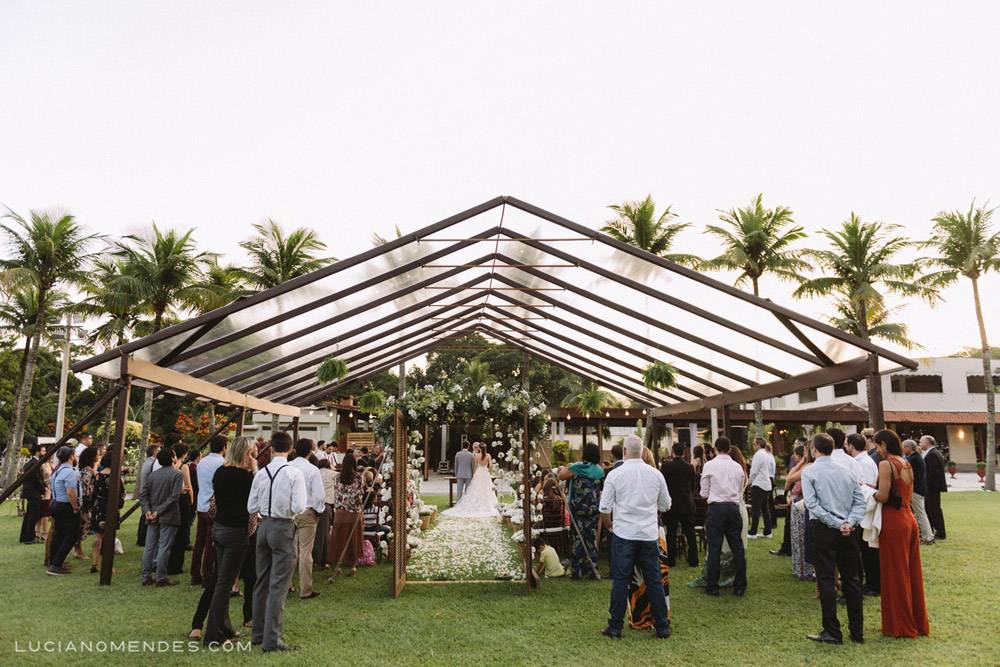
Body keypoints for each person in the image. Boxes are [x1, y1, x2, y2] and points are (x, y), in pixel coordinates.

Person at [599, 434, 671, 639]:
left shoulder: (615, 474)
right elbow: (666, 504)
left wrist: (609, 525)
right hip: (648, 534)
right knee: (654, 580)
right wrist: (652, 513)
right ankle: (662, 626)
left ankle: (615, 626)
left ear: (624, 451)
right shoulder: (656, 474)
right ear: (641, 451)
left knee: (620, 581)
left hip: (623, 533)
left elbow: (604, 507)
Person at [801, 432, 865, 645]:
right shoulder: (847, 470)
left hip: (825, 529)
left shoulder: (810, 472)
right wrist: (849, 522)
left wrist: (838, 523)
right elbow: (860, 502)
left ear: (814, 450)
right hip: (848, 529)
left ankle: (832, 631)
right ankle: (857, 631)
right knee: (852, 579)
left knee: (826, 579)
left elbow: (812, 504)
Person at [248, 431, 306, 652]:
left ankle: (258, 633)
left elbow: (251, 506)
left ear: (271, 449)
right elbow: (298, 506)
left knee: (261, 581)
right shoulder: (294, 473)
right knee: (278, 585)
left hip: (263, 526)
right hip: (283, 526)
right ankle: (272, 639)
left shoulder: (261, 473)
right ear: (290, 449)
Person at [198, 436, 258, 647]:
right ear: (246, 454)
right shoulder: (244, 477)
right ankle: (214, 634)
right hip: (235, 533)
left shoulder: (220, 472)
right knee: (224, 584)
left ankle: (225, 627)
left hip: (220, 528)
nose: (254, 456)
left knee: (221, 580)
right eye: (252, 452)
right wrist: (255, 469)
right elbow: (257, 497)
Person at [873, 430, 930, 638]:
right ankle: (915, 620)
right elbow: (902, 491)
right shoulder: (905, 462)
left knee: (895, 572)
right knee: (910, 571)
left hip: (893, 521)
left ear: (883, 445)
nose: (877, 450)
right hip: (908, 518)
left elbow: (883, 496)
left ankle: (901, 624)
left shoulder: (886, 464)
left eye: (877, 446)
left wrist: (867, 492)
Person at [699, 437, 747, 596]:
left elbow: (703, 492)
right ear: (729, 449)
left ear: (715, 449)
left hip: (716, 509)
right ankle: (740, 586)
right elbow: (740, 491)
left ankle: (713, 586)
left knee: (714, 548)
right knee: (737, 548)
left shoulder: (709, 465)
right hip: (733, 508)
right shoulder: (738, 467)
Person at [557, 442, 604, 580]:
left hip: (577, 509)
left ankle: (577, 571)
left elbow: (560, 476)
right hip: (593, 509)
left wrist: (567, 467)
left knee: (577, 538)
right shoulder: (599, 470)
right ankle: (592, 569)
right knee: (591, 539)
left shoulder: (577, 467)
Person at [139, 446, 183, 586]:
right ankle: (161, 577)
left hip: (152, 515)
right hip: (167, 515)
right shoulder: (177, 474)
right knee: (164, 547)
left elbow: (143, 495)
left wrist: (147, 510)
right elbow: (174, 497)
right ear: (172, 458)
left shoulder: (153, 475)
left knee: (149, 547)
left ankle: (145, 576)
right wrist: (158, 511)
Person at [288, 438, 325, 600]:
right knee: (305, 551)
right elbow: (319, 495)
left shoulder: (287, 467)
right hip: (306, 511)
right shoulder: (312, 470)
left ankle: (287, 584)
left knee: (291, 551)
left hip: (289, 513)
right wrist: (318, 511)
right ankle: (306, 589)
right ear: (310, 452)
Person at [193, 435, 227, 585]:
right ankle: (207, 575)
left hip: (201, 505)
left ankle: (195, 574)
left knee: (199, 542)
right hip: (214, 506)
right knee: (210, 543)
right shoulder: (222, 463)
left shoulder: (202, 462)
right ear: (224, 447)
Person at [660, 442, 698, 567]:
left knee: (671, 534)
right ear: (683, 453)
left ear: (673, 452)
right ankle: (693, 559)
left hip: (672, 504)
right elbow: (692, 485)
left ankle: (671, 560)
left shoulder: (666, 467)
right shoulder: (690, 467)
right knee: (690, 533)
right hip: (687, 503)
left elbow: (663, 486)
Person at [328, 452, 364, 578]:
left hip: (340, 512)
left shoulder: (337, 477)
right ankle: (353, 565)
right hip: (353, 512)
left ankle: (338, 565)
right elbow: (360, 494)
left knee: (339, 540)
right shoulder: (358, 478)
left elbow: (336, 493)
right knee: (353, 539)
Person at [47, 447, 81, 575]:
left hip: (56, 503)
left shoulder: (57, 470)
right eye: (75, 455)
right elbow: (70, 492)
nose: (76, 457)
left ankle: (54, 561)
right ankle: (56, 565)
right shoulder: (69, 472)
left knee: (59, 534)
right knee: (71, 535)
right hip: (65, 505)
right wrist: (75, 507)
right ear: (71, 456)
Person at [442, 442, 499, 518]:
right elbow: (490, 466)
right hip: (484, 474)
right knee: (485, 489)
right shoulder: (487, 455)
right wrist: (489, 472)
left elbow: (474, 466)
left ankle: (460, 504)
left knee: (469, 490)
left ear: (479, 448)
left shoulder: (475, 456)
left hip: (474, 473)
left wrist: (473, 474)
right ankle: (485, 503)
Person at [784, 445, 816, 580]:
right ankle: (802, 569)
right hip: (799, 502)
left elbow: (789, 479)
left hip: (802, 504)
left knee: (802, 537)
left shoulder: (809, 467)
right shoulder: (807, 466)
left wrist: (801, 462)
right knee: (800, 537)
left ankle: (804, 570)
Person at [167, 442, 195, 576]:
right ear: (184, 454)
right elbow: (189, 486)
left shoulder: (170, 465)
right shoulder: (183, 466)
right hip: (182, 500)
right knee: (182, 532)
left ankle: (168, 562)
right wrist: (192, 500)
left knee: (171, 532)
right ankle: (176, 565)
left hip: (170, 500)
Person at [903, 440, 935, 544]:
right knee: (920, 513)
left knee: (920, 513)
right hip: (919, 489)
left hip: (916, 490)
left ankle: (928, 537)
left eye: (904, 447)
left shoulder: (913, 459)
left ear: (908, 448)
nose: (903, 449)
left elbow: (911, 476)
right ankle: (926, 535)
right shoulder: (917, 457)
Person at [920, 435, 947, 541]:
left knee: (934, 509)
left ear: (927, 443)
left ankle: (940, 532)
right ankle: (932, 530)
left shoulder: (932, 454)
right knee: (930, 509)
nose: (920, 444)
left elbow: (931, 473)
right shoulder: (932, 453)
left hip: (932, 487)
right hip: (932, 487)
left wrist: (924, 484)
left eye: (921, 442)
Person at [748, 437, 775, 539]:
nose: (753, 446)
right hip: (766, 484)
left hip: (758, 484)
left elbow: (754, 470)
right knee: (765, 509)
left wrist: (750, 480)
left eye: (754, 444)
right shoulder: (767, 454)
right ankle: (768, 531)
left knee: (756, 509)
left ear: (758, 444)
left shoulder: (758, 455)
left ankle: (753, 532)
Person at [136, 443, 160, 547]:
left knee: (144, 515)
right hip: (148, 492)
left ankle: (141, 539)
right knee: (146, 515)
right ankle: (142, 539)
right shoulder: (152, 463)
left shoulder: (147, 462)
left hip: (144, 491)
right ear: (155, 452)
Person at [19, 444, 44, 544]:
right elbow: (35, 478)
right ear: (37, 452)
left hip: (31, 492)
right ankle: (29, 538)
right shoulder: (34, 463)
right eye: (43, 451)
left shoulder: (30, 462)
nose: (44, 453)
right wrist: (43, 489)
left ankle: (25, 536)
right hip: (34, 493)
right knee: (33, 516)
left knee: (29, 515)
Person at [314, 458, 335, 567]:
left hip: (312, 505)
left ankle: (313, 558)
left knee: (313, 534)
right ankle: (322, 560)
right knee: (324, 534)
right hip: (326, 505)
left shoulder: (314, 473)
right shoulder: (333, 474)